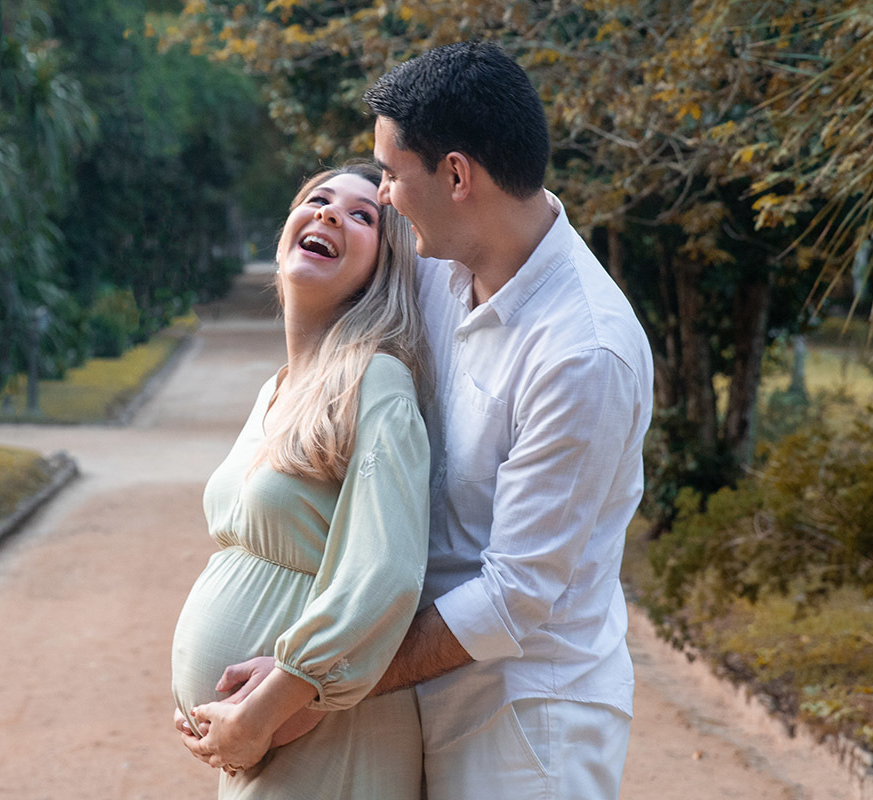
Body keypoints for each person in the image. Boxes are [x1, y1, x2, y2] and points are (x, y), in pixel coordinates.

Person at [181, 41, 653, 799]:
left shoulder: (583, 353)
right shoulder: (442, 266)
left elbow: (513, 597)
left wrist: (301, 693)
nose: (386, 196)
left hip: (524, 722)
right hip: (406, 698)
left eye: (392, 176)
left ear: (457, 176)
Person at [169, 162, 431, 799]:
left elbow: (384, 572)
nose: (330, 212)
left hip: (330, 738)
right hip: (262, 746)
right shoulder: (278, 388)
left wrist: (269, 712)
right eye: (318, 198)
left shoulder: (377, 381)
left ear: (385, 265)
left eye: (363, 216)